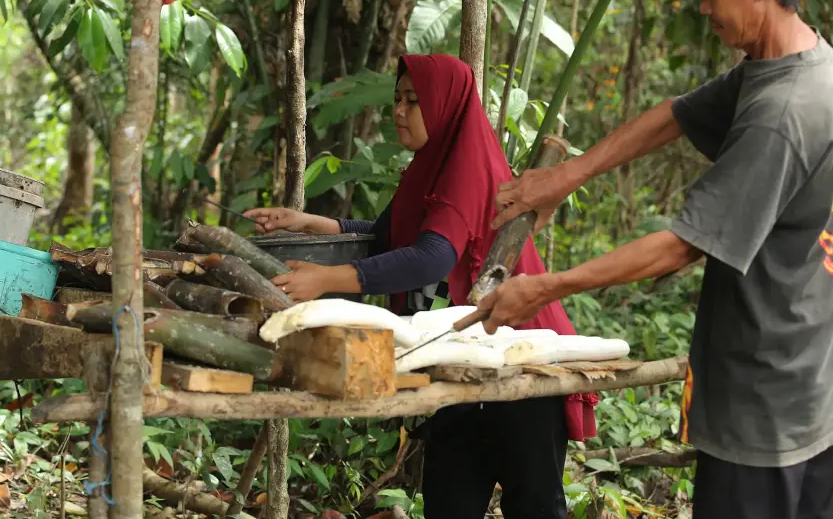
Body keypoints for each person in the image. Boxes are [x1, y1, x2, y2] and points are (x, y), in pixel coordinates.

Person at [480, 0, 833, 519]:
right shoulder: (797, 61)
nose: (703, 9)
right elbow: (679, 114)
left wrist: (545, 287)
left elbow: (683, 245)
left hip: (768, 391)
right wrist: (564, 178)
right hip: (804, 368)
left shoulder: (784, 112)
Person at [246, 53, 596, 519]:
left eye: (413, 101)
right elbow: (391, 235)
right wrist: (308, 222)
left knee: (533, 506)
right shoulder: (428, 168)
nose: (399, 110)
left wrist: (326, 279)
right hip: (463, 357)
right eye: (397, 99)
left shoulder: (466, 169)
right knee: (450, 503)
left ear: (445, 104)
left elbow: (433, 256)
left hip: (521, 361)